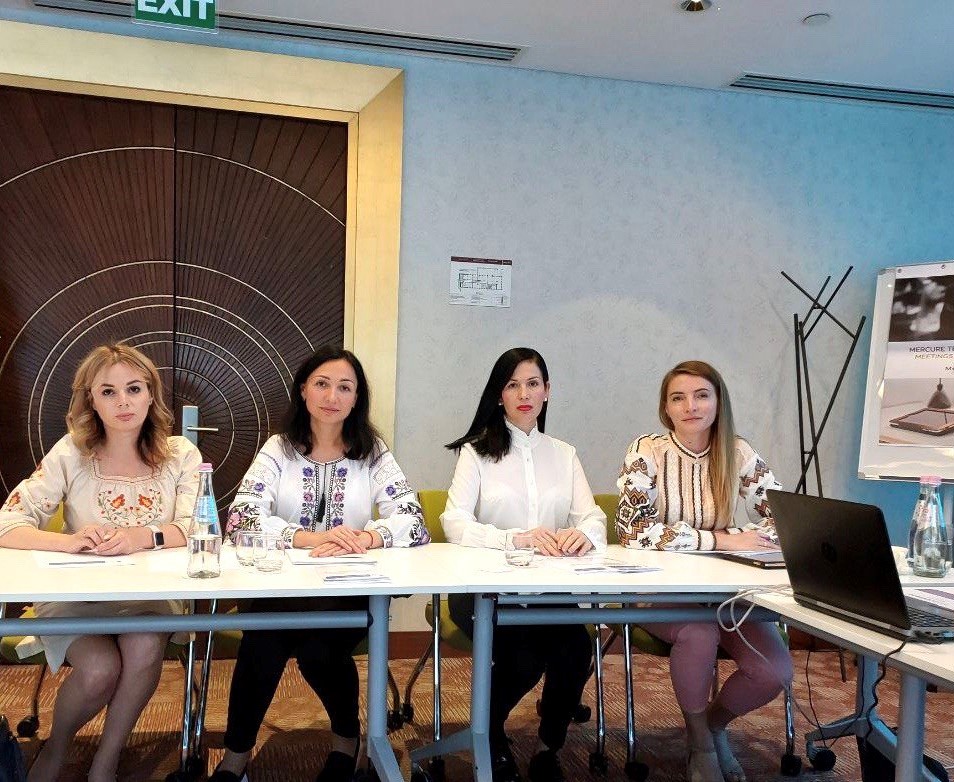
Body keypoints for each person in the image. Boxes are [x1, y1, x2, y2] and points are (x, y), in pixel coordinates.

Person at [212, 345, 430, 782]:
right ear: (303, 390)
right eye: (322, 384)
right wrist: (312, 538)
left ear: (356, 398)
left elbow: (414, 522)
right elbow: (240, 519)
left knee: (319, 651)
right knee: (261, 643)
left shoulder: (372, 453)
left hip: (347, 589)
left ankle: (346, 742)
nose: (332, 396)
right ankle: (236, 756)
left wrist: (366, 537)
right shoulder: (279, 449)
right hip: (280, 588)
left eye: (345, 387)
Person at [0, 343, 202, 782]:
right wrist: (68, 542)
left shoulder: (180, 453)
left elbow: (195, 528)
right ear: (90, 399)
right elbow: (7, 524)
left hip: (149, 596)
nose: (123, 402)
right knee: (99, 669)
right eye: (108, 391)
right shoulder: (71, 452)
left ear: (151, 393)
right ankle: (56, 751)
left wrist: (140, 537)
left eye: (134, 388)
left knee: (144, 643)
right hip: (78, 596)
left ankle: (105, 762)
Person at [615, 360, 793, 782]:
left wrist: (739, 535)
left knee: (773, 671)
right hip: (657, 589)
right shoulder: (646, 451)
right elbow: (632, 529)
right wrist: (721, 539)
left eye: (701, 396)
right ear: (666, 408)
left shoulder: (739, 452)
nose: (690, 406)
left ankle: (712, 727)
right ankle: (701, 746)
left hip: (724, 592)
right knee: (699, 633)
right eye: (678, 398)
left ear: (718, 402)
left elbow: (787, 519)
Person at [441, 347, 606, 782]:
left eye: (533, 384)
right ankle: (490, 735)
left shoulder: (564, 454)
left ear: (547, 391)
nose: (524, 394)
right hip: (486, 591)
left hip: (548, 591)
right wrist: (513, 539)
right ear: (499, 395)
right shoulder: (476, 453)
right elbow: (454, 523)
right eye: (512, 385)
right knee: (525, 657)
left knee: (575, 651)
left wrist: (584, 534)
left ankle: (549, 747)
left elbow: (592, 517)